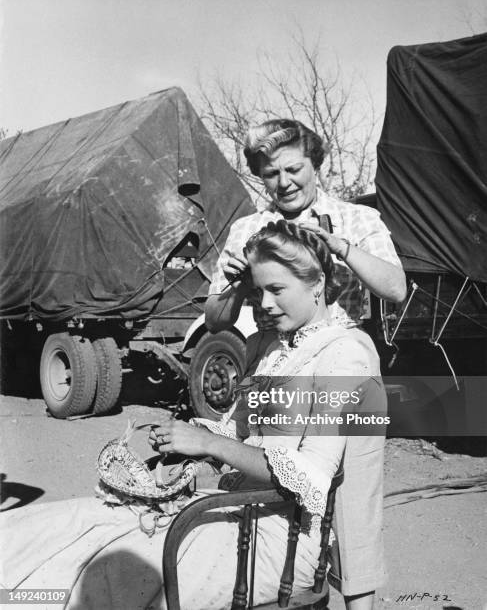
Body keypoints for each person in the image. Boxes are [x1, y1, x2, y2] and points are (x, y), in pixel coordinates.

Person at [0, 222, 386, 610]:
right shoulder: (267, 345)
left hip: (279, 539)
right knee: (72, 524)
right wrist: (186, 438)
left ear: (317, 284)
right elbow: (236, 433)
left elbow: (313, 480)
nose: (265, 304)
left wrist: (207, 443)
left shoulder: (346, 354)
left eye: (277, 289)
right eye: (258, 291)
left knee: (110, 571)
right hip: (234, 506)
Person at [205, 118, 406, 345]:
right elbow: (214, 323)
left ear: (315, 164)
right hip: (272, 354)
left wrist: (341, 248)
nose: (284, 183)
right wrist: (238, 286)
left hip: (341, 350)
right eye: (271, 174)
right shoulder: (245, 229)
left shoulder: (358, 218)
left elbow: (396, 290)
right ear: (260, 175)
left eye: (293, 169)